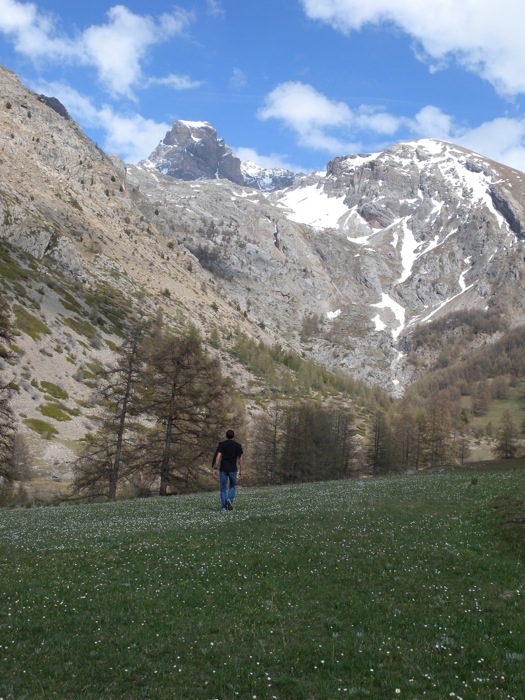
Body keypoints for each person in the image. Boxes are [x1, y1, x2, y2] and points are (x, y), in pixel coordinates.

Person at [213, 429, 243, 511]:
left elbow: (218, 457)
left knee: (223, 488)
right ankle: (229, 499)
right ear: (233, 436)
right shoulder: (238, 445)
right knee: (232, 485)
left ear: (226, 436)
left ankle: (223, 507)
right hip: (233, 469)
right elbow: (240, 459)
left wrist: (215, 468)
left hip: (223, 469)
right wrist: (241, 470)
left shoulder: (222, 444)